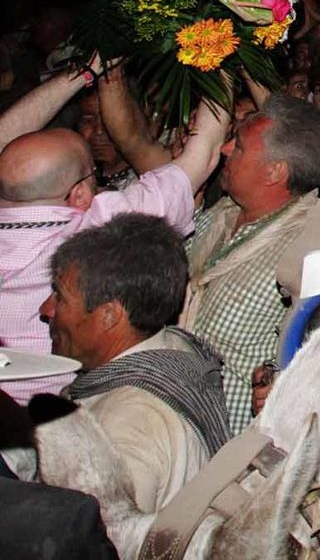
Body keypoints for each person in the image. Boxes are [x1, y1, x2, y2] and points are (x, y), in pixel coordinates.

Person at [1, 82, 227, 403]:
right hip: (45, 421)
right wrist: (223, 60)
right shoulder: (96, 228)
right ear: (79, 194)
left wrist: (79, 75)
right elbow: (202, 156)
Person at [42, 215, 227, 511]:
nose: (46, 309)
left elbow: (98, 540)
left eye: (60, 297)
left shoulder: (126, 428)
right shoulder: (177, 348)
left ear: (109, 316)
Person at [182, 93, 320, 433]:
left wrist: (287, 384)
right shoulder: (219, 216)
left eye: (237, 147)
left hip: (233, 447)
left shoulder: (310, 248)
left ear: (273, 172)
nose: (224, 150)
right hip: (178, 418)